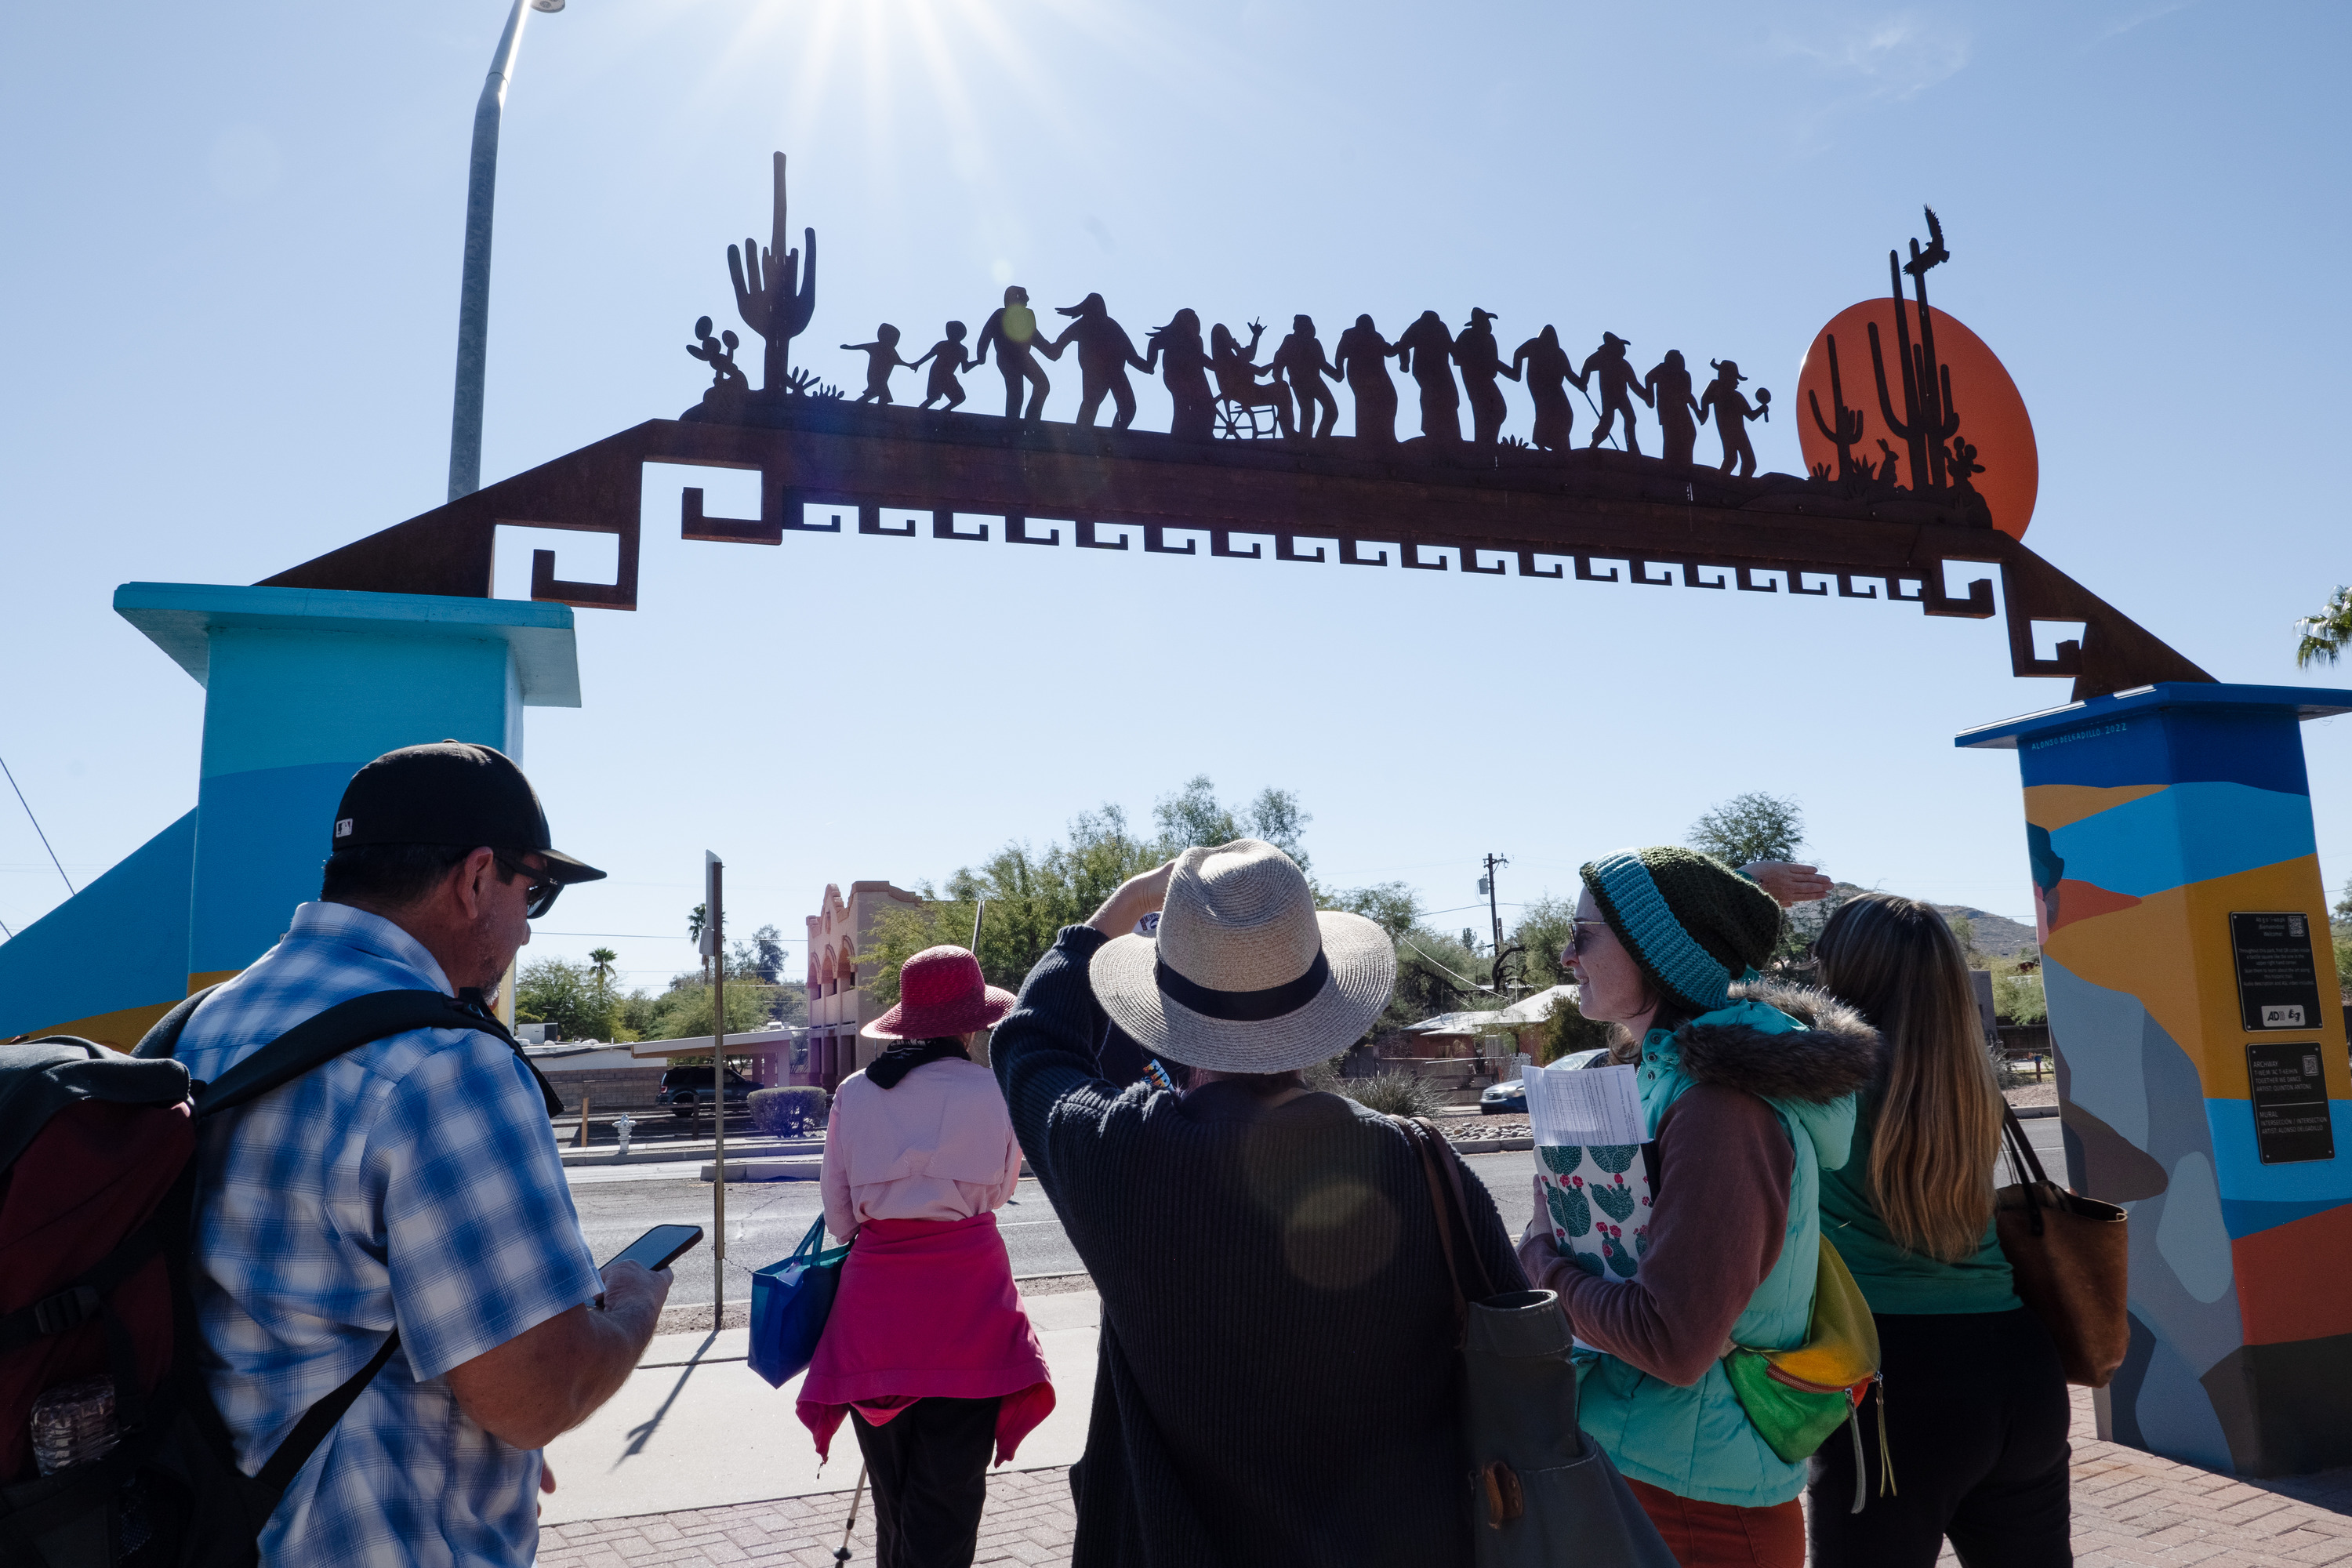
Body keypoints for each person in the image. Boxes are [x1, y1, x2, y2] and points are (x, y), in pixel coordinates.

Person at [170, 741, 669, 1566]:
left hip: (215, 1525)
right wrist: (632, 1299)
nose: (527, 930)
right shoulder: (444, 1062)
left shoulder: (207, 1021)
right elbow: (537, 1391)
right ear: (476, 879)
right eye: (533, 889)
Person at [990, 839, 1527, 1566]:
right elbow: (1515, 1342)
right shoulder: (1422, 1163)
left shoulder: (1116, 1154)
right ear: (1317, 1001)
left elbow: (1030, 1043)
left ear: (1165, 1004)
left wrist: (1118, 911)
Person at [1515, 848, 1877, 1568]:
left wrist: (1540, 1262)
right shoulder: (1669, 1080)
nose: (1566, 955)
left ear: (1657, 950)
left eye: (1583, 934)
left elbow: (1672, 1342)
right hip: (1660, 1474)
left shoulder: (1721, 1108)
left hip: (1699, 1509)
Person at [1804, 895, 2071, 1566]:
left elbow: (1698, 999)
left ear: (1847, 972)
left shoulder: (1824, 1076)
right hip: (2021, 1369)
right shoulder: (1971, 1077)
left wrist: (1750, 886)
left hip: (1891, 1385)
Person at [800, 946, 1054, 1568]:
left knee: (895, 1501)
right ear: (973, 1024)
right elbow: (1000, 1191)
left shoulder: (855, 1094)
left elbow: (838, 1221)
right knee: (946, 1506)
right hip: (968, 1310)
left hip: (874, 1320)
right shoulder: (996, 1091)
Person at [1051, 293, 1151, 430]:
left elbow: (1131, 356)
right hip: (1095, 373)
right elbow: (1059, 346)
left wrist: (1147, 365)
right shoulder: (1083, 326)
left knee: (1127, 408)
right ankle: (1081, 438)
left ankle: (1116, 436)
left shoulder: (1111, 326)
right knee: (1091, 405)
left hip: (1115, 372)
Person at [974, 285, 1055, 421]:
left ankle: (1031, 419)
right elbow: (985, 336)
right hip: (1007, 357)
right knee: (1016, 394)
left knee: (1042, 385)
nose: (1028, 299)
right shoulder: (1000, 314)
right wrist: (981, 355)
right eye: (1024, 296)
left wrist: (1049, 350)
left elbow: (1035, 337)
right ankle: (1012, 425)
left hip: (1023, 357)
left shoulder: (1028, 315)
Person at [1143, 309, 1216, 441]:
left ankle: (1203, 435)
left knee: (1208, 408)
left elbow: (1202, 359)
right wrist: (1150, 364)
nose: (1194, 327)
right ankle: (1178, 438)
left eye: (1195, 325)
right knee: (1183, 406)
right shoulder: (1172, 337)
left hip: (1195, 378)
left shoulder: (1196, 341)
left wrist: (1216, 365)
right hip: (1175, 376)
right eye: (1191, 323)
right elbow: (1154, 342)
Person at [1453, 307, 1519, 448]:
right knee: (1485, 412)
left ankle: (1488, 445)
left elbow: (1493, 367)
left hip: (1486, 380)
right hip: (1475, 383)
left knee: (1498, 411)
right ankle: (1483, 448)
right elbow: (1457, 357)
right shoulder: (1466, 336)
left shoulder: (1489, 339)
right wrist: (1479, 361)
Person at [1332, 314, 1403, 446]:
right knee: (1365, 403)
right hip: (1359, 375)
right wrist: (1339, 370)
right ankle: (1365, 438)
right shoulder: (1350, 335)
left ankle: (1386, 436)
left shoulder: (1376, 337)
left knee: (1390, 398)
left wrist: (1400, 346)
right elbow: (1340, 354)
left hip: (1378, 375)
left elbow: (1388, 351)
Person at [1268, 314, 1342, 439]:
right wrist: (1279, 381)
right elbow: (1279, 360)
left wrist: (1336, 374)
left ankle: (1320, 440)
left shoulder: (1314, 343)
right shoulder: (1290, 341)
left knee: (1331, 411)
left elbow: (1322, 363)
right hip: (1300, 383)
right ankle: (1307, 443)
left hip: (1315, 382)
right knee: (1309, 416)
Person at [1394, 309, 1463, 443]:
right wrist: (1405, 363)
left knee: (1449, 397)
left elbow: (1452, 348)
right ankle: (1433, 431)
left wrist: (1405, 363)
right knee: (1433, 396)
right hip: (1426, 369)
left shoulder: (1437, 327)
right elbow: (1403, 343)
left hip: (1438, 369)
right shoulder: (1422, 326)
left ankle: (1450, 433)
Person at [1511, 325, 1577, 451]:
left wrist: (1581, 384)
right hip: (1539, 384)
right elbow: (1518, 353)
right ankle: (1540, 441)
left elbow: (1569, 374)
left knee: (1566, 413)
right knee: (1544, 411)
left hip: (1554, 386)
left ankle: (1560, 442)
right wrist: (1516, 371)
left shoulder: (1559, 353)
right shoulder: (1535, 344)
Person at [1699, 359, 1769, 477]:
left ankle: (1738, 484)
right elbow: (1705, 399)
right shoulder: (1719, 391)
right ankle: (1727, 483)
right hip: (1732, 433)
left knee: (1743, 462)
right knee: (1736, 461)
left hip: (1738, 432)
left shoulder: (1736, 396)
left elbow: (1751, 416)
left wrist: (1762, 409)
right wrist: (1703, 413)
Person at [840, 323, 912, 404]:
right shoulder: (876, 346)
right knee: (878, 393)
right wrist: (849, 347)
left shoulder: (891, 352)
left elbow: (899, 361)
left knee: (877, 394)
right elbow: (862, 346)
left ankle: (874, 409)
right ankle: (868, 408)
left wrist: (911, 365)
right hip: (875, 377)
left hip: (881, 379)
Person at [910, 321, 973, 410]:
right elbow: (930, 355)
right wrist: (917, 364)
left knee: (957, 397)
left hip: (946, 375)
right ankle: (927, 412)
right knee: (936, 397)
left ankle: (942, 412)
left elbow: (965, 368)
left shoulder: (962, 350)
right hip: (938, 373)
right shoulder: (943, 345)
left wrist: (977, 362)